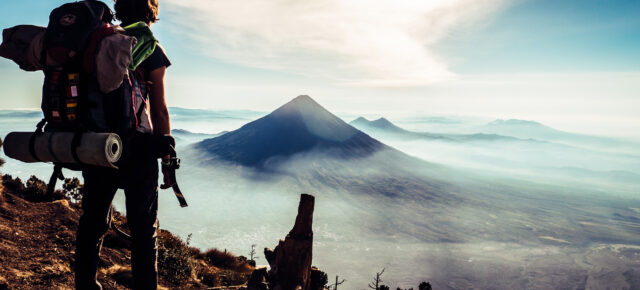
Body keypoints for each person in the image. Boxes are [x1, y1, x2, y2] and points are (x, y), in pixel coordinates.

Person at [74, 0, 171, 289]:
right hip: (138, 150)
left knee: (92, 223)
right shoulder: (149, 46)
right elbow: (160, 109)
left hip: (98, 146)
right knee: (143, 231)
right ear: (151, 14)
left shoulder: (98, 42)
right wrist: (167, 158)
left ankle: (85, 285)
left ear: (120, 9)